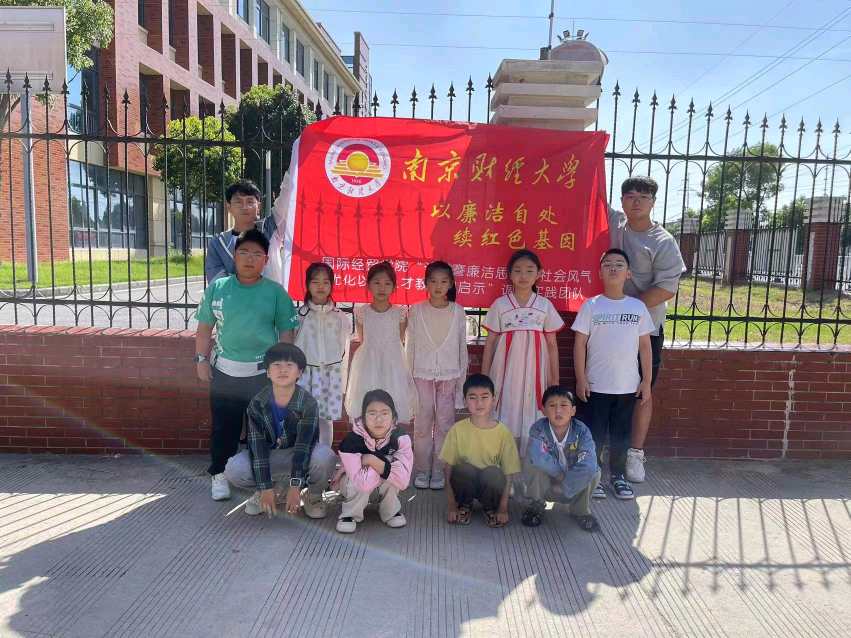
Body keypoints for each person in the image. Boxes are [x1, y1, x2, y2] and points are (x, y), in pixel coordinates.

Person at [195, 228, 299, 501]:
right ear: (234, 256)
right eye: (244, 252)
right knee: (224, 428)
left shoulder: (275, 293)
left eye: (256, 254)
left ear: (266, 260)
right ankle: (219, 474)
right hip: (225, 373)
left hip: (262, 375)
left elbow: (286, 333)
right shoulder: (218, 288)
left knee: (262, 430)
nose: (249, 258)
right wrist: (201, 359)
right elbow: (204, 329)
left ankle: (260, 481)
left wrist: (283, 369)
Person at [609, 176, 686, 482]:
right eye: (630, 196)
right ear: (622, 201)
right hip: (607, 329)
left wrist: (627, 311)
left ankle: (635, 454)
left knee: (643, 391)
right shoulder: (615, 224)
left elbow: (667, 288)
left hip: (645, 331)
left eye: (643, 197)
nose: (636, 201)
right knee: (604, 388)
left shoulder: (662, 241)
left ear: (653, 202)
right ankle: (604, 450)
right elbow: (589, 194)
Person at [572, 249, 654, 501]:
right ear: (600, 272)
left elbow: (645, 347)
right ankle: (594, 476)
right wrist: (581, 378)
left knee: (621, 435)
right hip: (595, 385)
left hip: (627, 386)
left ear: (628, 273)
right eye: (608, 264)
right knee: (594, 435)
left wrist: (646, 380)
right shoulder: (591, 306)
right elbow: (579, 344)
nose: (613, 268)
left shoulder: (637, 307)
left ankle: (618, 476)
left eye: (619, 264)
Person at [223, 343, 337, 518]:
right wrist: (265, 487)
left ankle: (312, 495)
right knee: (234, 469)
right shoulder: (257, 403)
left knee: (325, 457)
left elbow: (304, 447)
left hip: (296, 454)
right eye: (276, 365)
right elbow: (257, 447)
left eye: (289, 365)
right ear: (268, 372)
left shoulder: (308, 403)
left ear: (299, 372)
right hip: (270, 455)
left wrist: (295, 485)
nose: (283, 370)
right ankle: (270, 490)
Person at [480, 249, 564, 455]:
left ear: (539, 274)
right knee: (505, 404)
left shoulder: (544, 305)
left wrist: (554, 379)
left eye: (529, 270)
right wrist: (484, 376)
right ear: (509, 274)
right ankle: (502, 457)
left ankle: (531, 459)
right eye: (517, 270)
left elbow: (552, 344)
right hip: (506, 368)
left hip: (536, 369)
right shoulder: (500, 304)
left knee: (533, 407)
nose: (523, 275)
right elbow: (490, 343)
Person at [406, 261, 469, 491]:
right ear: (425, 284)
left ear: (451, 284)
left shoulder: (458, 311)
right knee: (422, 425)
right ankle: (422, 470)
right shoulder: (416, 311)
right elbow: (410, 347)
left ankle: (440, 470)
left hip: (449, 375)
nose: (438, 286)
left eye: (443, 281)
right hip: (421, 374)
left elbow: (462, 349)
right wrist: (408, 380)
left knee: (445, 425)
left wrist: (461, 383)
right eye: (432, 281)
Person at [440, 374, 522, 528]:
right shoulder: (457, 430)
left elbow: (509, 474)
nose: (479, 403)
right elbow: (447, 469)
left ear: (493, 399)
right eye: (472, 397)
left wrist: (503, 508)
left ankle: (491, 507)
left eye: (485, 397)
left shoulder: (503, 433)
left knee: (493, 473)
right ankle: (464, 505)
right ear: (465, 401)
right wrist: (451, 505)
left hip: (490, 484)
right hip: (466, 483)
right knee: (463, 469)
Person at [344, 261, 417, 424]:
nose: (382, 288)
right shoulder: (362, 312)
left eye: (387, 283)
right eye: (377, 283)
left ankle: (390, 437)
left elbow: (400, 338)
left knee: (393, 401)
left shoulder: (400, 312)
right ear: (368, 286)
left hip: (393, 364)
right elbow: (363, 339)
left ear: (394, 287)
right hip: (367, 364)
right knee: (367, 401)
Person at [521, 386, 600, 532]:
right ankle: (536, 505)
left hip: (572, 485)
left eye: (564, 405)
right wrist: (559, 475)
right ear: (543, 410)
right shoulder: (538, 429)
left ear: (573, 410)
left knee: (593, 470)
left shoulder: (582, 431)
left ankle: (580, 510)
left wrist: (565, 485)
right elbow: (538, 457)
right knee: (532, 463)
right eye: (552, 405)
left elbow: (588, 462)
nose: (558, 411)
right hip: (549, 483)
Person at [334, 390, 413, 533]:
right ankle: (350, 514)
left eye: (384, 413)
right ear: (363, 417)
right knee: (360, 479)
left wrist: (372, 460)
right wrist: (387, 464)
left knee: (394, 476)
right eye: (372, 413)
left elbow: (403, 481)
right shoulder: (351, 441)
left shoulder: (401, 438)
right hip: (355, 486)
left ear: (394, 417)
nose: (378, 419)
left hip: (378, 483)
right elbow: (362, 483)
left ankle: (390, 511)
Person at [295, 262, 351, 445]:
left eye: (326, 282)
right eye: (315, 281)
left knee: (326, 419)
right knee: (304, 417)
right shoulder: (300, 315)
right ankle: (303, 455)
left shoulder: (339, 316)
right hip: (305, 374)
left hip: (329, 374)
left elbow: (343, 347)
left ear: (331, 285)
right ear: (307, 284)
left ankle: (324, 455)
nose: (320, 286)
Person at [205, 179, 284, 284]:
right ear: (229, 207)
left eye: (250, 201)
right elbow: (217, 284)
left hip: (273, 295)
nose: (244, 207)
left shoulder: (271, 228)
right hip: (234, 296)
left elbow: (288, 194)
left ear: (259, 207)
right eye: (238, 202)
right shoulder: (218, 244)